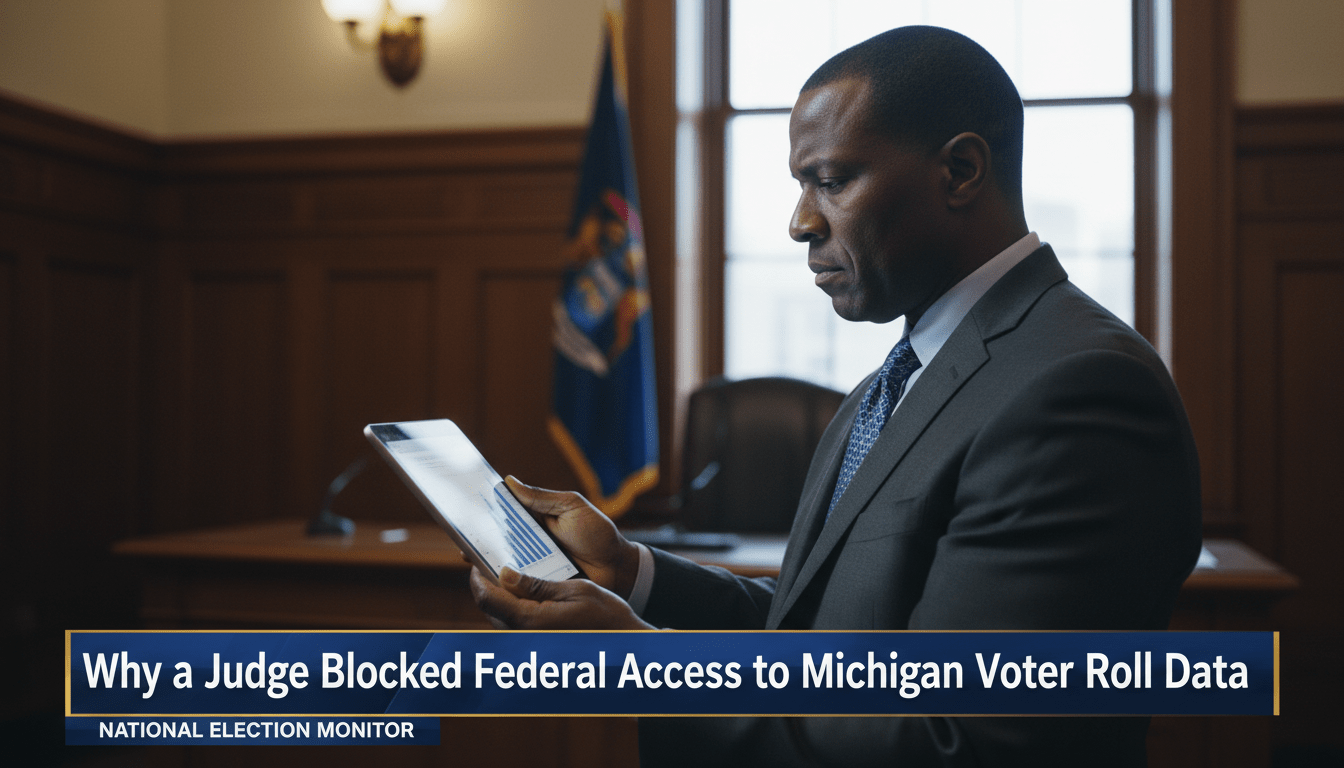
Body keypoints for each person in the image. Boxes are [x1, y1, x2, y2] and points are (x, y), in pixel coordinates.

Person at [471, 26, 1203, 767]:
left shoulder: (1077, 390)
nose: (801, 222)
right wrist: (634, 574)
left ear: (960, 171)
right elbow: (821, 638)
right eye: (801, 185)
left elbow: (959, 738)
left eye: (833, 180)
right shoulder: (895, 381)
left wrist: (638, 666)